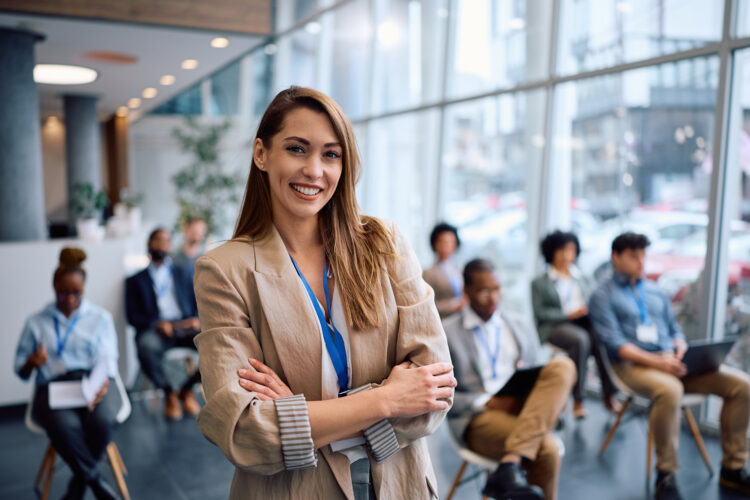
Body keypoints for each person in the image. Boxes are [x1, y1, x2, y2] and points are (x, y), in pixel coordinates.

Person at [192, 86, 455, 500]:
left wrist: (298, 415)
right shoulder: (224, 270)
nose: (314, 170)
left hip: (399, 486)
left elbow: (433, 394)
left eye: (331, 154)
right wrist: (387, 398)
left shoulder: (384, 244)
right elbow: (244, 433)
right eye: (297, 149)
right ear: (262, 153)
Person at [589, 232, 750, 500]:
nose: (640, 262)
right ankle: (666, 475)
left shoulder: (654, 291)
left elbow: (675, 329)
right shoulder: (602, 294)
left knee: (741, 386)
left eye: (643, 256)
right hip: (632, 366)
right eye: (633, 256)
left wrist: (680, 347)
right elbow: (615, 344)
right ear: (615, 257)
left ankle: (733, 468)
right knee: (670, 391)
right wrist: (657, 362)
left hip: (672, 363)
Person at [445, 258, 576, 500]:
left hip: (523, 406)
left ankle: (510, 463)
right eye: (485, 291)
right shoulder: (447, 333)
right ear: (466, 291)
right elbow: (441, 394)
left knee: (564, 365)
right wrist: (484, 401)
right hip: (479, 415)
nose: (494, 298)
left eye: (497, 289)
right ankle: (511, 468)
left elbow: (537, 370)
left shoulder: (518, 325)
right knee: (546, 449)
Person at [14, 248, 121, 500]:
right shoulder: (36, 322)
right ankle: (95, 481)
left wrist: (102, 384)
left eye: (77, 293)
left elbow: (108, 360)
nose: (70, 299)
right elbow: (20, 371)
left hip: (94, 383)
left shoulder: (100, 318)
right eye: (63, 292)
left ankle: (77, 486)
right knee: (65, 426)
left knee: (103, 420)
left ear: (84, 289)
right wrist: (32, 361)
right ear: (54, 287)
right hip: (53, 387)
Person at [531, 230, 620, 419]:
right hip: (555, 326)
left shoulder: (582, 277)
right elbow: (540, 313)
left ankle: (608, 392)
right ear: (551, 252)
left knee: (598, 336)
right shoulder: (540, 283)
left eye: (571, 250)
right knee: (581, 340)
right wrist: (568, 314)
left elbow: (593, 301)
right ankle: (579, 398)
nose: (567, 256)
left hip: (583, 323)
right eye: (562, 250)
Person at [125, 228, 201, 420]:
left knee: (216, 343)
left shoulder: (182, 272)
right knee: (145, 346)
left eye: (166, 241)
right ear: (149, 244)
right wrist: (157, 324)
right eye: (157, 240)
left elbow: (197, 301)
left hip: (184, 326)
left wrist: (196, 317)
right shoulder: (135, 280)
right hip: (157, 328)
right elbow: (132, 317)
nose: (162, 244)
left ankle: (186, 389)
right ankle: (169, 393)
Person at [423, 222, 466, 318]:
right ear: (435, 244)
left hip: (461, 319)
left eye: (451, 242)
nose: (447, 245)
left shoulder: (460, 269)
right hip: (442, 320)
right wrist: (454, 305)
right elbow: (426, 304)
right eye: (443, 242)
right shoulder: (428, 273)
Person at [172, 215, 208, 282]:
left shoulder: (206, 262)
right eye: (193, 231)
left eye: (200, 232)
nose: (196, 236)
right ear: (185, 230)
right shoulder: (173, 260)